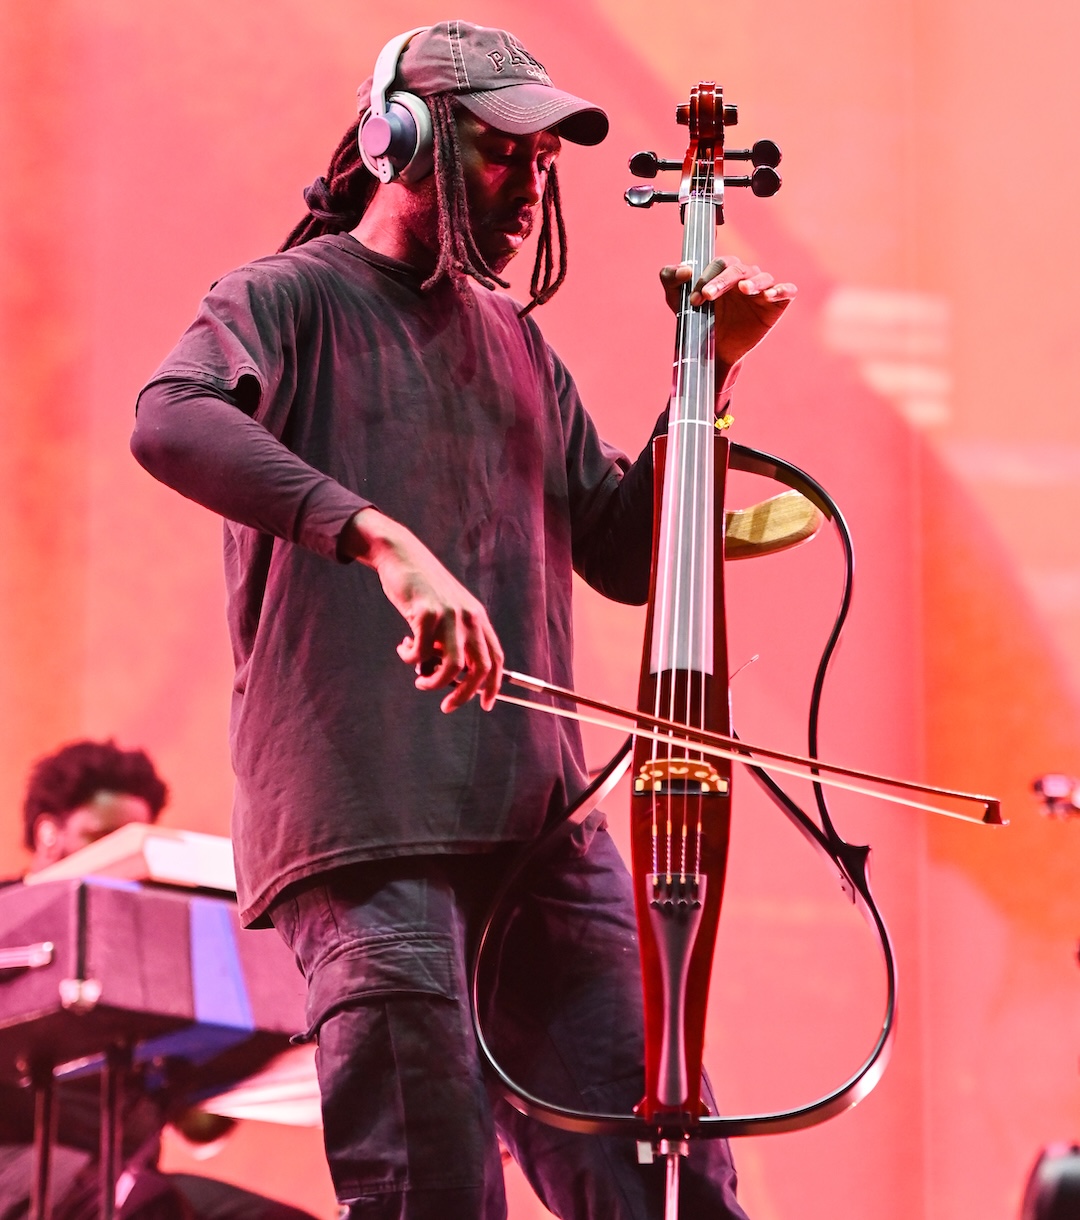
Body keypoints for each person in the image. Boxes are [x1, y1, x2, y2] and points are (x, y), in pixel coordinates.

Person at [130, 20, 796, 1220]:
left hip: (540, 835)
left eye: (543, 163)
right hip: (369, 824)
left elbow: (618, 552)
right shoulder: (284, 299)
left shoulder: (519, 346)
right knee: (434, 1187)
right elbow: (170, 419)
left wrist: (709, 379)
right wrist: (377, 536)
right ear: (399, 141)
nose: (532, 187)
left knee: (667, 1175)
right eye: (502, 154)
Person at [0, 740, 319, 1220]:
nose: (125, 862)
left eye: (136, 843)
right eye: (104, 838)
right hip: (17, 1167)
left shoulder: (137, 945)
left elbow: (200, 1130)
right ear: (49, 834)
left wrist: (240, 1052)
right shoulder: (9, 919)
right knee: (143, 1205)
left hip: (128, 1179)